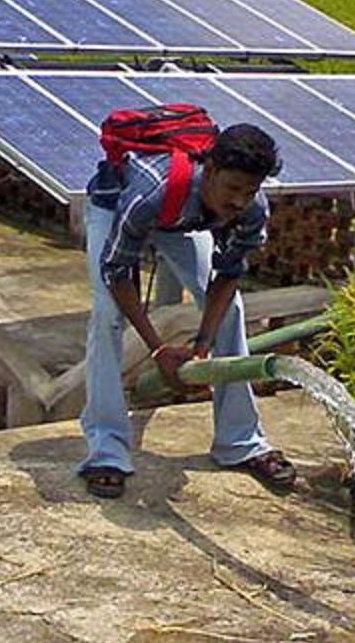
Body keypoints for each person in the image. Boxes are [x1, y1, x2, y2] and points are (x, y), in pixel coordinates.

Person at [79, 123, 297, 499]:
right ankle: (107, 449)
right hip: (116, 206)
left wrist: (202, 344)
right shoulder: (149, 193)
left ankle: (240, 441)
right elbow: (117, 274)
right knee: (107, 316)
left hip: (184, 218)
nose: (239, 202)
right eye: (232, 189)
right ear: (209, 170)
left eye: (250, 191)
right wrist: (160, 350)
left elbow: (227, 276)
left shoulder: (250, 208)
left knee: (233, 311)